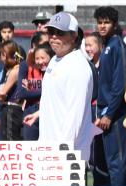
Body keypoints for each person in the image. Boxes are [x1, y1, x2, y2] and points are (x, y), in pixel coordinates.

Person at [24, 12, 96, 163]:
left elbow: (75, 116)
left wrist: (61, 155)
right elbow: (54, 97)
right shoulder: (55, 60)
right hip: (50, 149)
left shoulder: (78, 67)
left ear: (74, 36)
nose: (54, 36)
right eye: (51, 32)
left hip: (67, 156)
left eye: (60, 32)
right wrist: (39, 113)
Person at [93, 7, 126, 185]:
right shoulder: (106, 46)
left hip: (115, 116)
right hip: (104, 114)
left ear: (114, 24)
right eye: (100, 22)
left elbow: (119, 85)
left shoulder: (118, 46)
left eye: (106, 22)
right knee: (106, 162)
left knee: (117, 162)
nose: (102, 26)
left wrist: (109, 114)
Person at [12, 45, 49, 142]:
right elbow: (22, 93)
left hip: (48, 109)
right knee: (30, 145)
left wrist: (32, 91)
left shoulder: (52, 70)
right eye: (37, 58)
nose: (40, 61)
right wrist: (46, 91)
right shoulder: (25, 66)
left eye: (42, 57)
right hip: (31, 109)